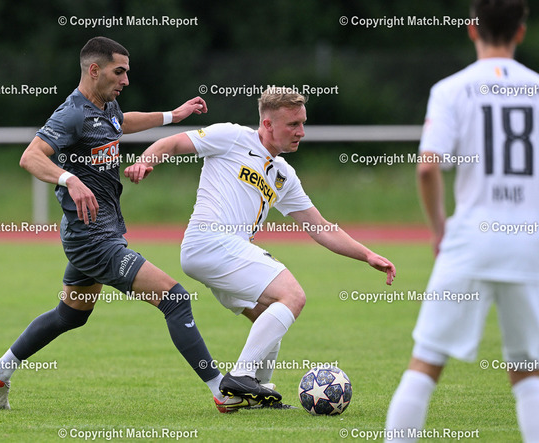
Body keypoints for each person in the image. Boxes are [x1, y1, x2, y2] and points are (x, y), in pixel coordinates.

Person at [0, 36, 243, 413]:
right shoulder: (72, 114)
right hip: (93, 239)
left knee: (70, 315)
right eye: (119, 72)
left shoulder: (106, 106)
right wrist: (69, 179)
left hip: (94, 232)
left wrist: (172, 116)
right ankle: (222, 391)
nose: (126, 80)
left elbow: (122, 122)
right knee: (176, 299)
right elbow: (30, 157)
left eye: (127, 72)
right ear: (94, 70)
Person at [124, 87, 396, 409]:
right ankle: (242, 375)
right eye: (293, 124)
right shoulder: (232, 137)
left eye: (302, 123)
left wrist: (367, 255)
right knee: (293, 296)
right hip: (210, 240)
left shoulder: (284, 175)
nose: (301, 131)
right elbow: (171, 143)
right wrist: (144, 161)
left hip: (222, 251)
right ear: (267, 124)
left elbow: (320, 227)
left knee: (269, 316)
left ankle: (256, 396)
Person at [385, 1, 539, 441]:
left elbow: (427, 168)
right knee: (528, 369)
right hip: (529, 243)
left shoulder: (451, 89)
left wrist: (440, 228)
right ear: (521, 32)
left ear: (472, 29)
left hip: (471, 238)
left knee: (426, 362)